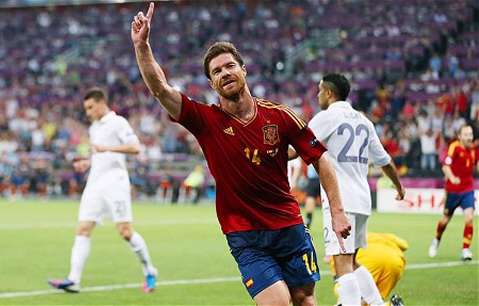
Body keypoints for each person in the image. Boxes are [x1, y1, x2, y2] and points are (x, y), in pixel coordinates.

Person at [131, 3, 351, 305]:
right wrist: (142, 46)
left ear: (243, 70)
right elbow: (161, 89)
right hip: (245, 234)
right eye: (217, 71)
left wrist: (337, 211)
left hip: (289, 227)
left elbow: (320, 158)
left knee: (304, 300)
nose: (225, 73)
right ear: (211, 83)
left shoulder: (280, 116)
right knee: (277, 302)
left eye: (229, 66)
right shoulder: (204, 120)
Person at [304, 73, 405, 305]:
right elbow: (385, 161)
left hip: (340, 202)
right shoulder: (364, 121)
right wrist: (398, 186)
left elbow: (296, 147)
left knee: (341, 265)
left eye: (320, 90)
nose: (318, 95)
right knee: (352, 262)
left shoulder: (327, 116)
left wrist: (268, 158)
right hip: (362, 201)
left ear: (329, 93)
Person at [48, 87, 158, 293]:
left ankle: (150, 270)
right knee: (82, 228)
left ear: (101, 103)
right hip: (95, 182)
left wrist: (106, 147)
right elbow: (100, 154)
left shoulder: (118, 122)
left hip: (115, 182)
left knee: (125, 232)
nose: (87, 112)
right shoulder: (94, 128)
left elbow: (135, 148)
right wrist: (87, 163)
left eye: (90, 107)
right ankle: (74, 280)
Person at [429, 124, 478, 261]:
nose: (469, 137)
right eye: (466, 135)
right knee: (444, 221)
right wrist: (452, 178)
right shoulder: (454, 147)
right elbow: (446, 166)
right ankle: (436, 240)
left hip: (467, 189)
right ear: (460, 136)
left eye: (470, 134)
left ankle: (465, 250)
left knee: (469, 217)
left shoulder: (474, 149)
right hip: (453, 191)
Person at [330, 232, 408, 305]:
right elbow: (405, 245)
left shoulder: (339, 256)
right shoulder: (384, 236)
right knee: (372, 297)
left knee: (346, 292)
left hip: (371, 259)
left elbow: (344, 283)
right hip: (395, 260)